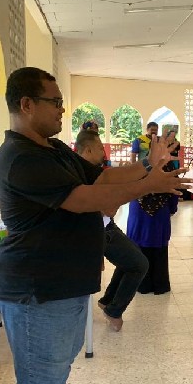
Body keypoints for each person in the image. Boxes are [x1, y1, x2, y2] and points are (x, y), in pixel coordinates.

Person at [0, 67, 188, 384]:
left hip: (61, 283)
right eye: (55, 102)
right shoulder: (20, 157)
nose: (62, 110)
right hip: (36, 288)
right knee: (39, 378)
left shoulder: (52, 149)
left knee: (56, 368)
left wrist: (148, 164)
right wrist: (148, 185)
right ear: (27, 104)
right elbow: (85, 200)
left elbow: (101, 178)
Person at [74, 130, 149, 331]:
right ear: (88, 150)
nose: (104, 151)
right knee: (139, 264)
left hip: (107, 226)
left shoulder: (95, 170)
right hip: (96, 231)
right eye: (100, 148)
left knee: (134, 260)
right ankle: (114, 310)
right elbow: (106, 208)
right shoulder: (83, 175)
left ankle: (108, 301)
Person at [127, 190, 178, 295]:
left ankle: (142, 285)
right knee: (159, 250)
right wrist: (172, 208)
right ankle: (160, 285)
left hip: (138, 211)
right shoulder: (167, 178)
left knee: (140, 249)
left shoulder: (135, 178)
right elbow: (175, 192)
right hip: (161, 210)